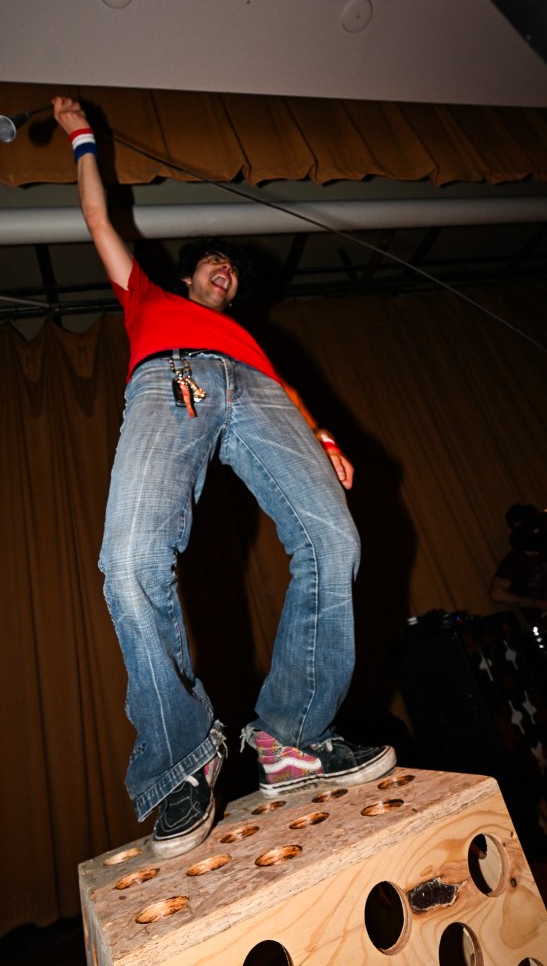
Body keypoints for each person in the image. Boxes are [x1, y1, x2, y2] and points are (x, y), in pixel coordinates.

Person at [52, 96, 396, 859]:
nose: (226, 269)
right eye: (214, 262)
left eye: (232, 270)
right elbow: (99, 220)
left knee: (333, 541)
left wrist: (322, 435)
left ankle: (292, 737)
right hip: (169, 378)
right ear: (187, 276)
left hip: (261, 392)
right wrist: (81, 139)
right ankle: (179, 759)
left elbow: (290, 393)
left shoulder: (250, 338)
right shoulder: (146, 296)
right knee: (129, 561)